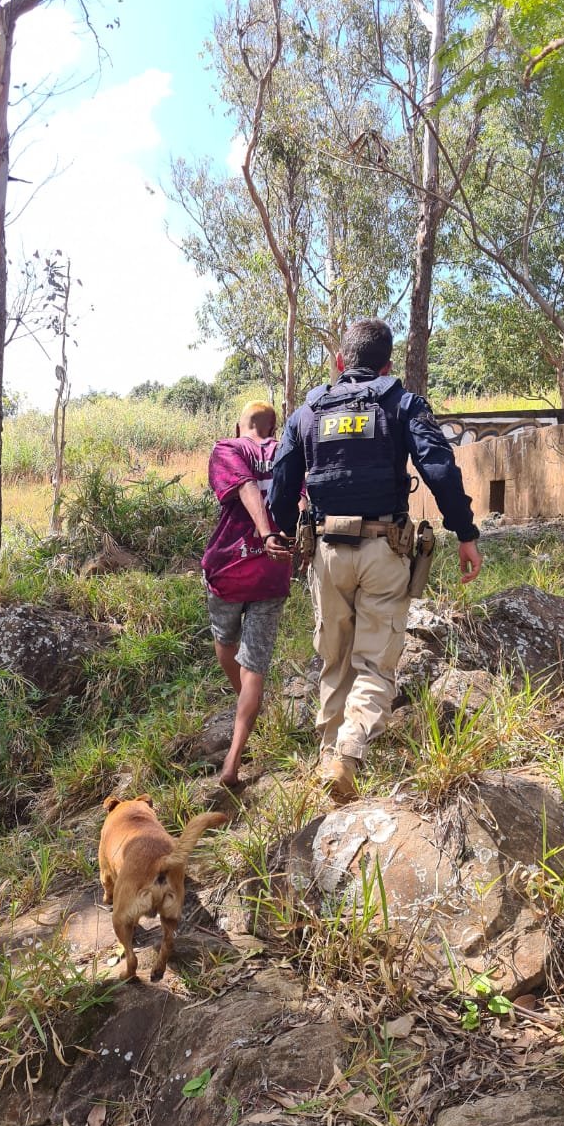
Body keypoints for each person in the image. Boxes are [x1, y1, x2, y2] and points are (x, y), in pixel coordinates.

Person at [268, 318, 482, 801]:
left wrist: (281, 530)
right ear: (387, 364)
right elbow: (440, 469)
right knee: (374, 665)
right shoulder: (401, 403)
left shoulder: (308, 410)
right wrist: (465, 533)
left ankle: (329, 755)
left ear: (341, 362)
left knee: (334, 659)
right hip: (384, 549)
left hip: (325, 554)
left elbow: (283, 482)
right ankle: (346, 754)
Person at [202, 401, 293, 787]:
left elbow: (245, 487)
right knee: (254, 664)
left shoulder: (228, 449)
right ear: (273, 427)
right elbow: (303, 502)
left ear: (242, 425)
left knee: (225, 640)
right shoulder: (289, 452)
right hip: (273, 570)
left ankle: (245, 702)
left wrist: (264, 532)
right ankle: (233, 761)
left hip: (229, 568)